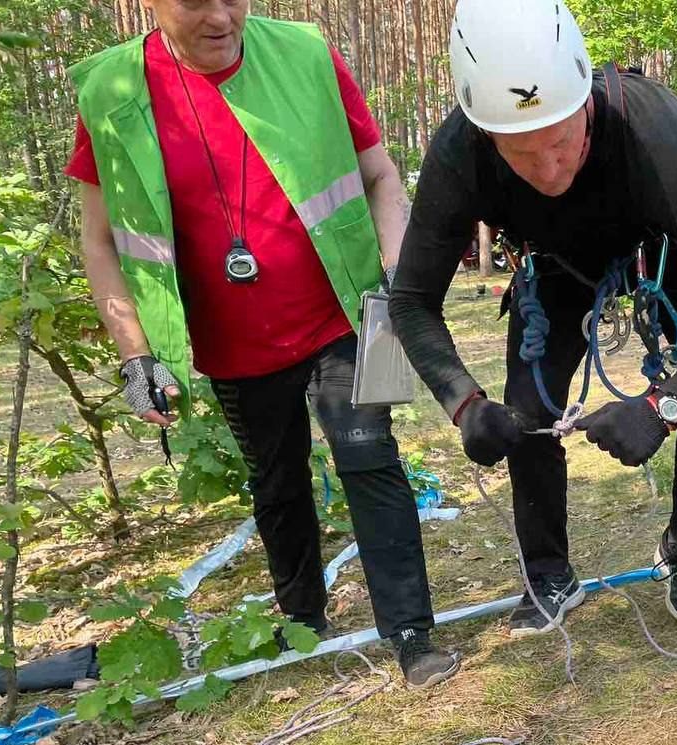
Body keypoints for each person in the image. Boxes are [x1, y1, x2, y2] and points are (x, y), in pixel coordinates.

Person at [65, 0, 458, 688]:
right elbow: (99, 242)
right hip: (230, 342)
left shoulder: (306, 53)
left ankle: (413, 634)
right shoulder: (110, 91)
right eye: (195, 3)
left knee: (372, 455)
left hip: (357, 310)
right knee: (276, 482)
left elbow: (380, 175)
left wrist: (400, 285)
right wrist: (135, 352)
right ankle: (304, 623)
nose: (220, 18)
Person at [389, 0, 677, 636]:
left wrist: (664, 406)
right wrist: (463, 403)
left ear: (585, 103)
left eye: (562, 140)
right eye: (521, 155)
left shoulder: (651, 127)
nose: (551, 170)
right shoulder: (459, 152)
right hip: (554, 267)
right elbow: (410, 300)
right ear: (487, 135)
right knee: (525, 406)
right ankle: (549, 571)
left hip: (662, 253)